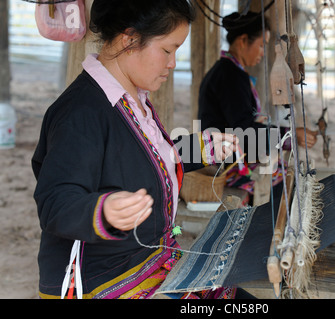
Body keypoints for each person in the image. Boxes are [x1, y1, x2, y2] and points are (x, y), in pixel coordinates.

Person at [32, 0, 240, 299]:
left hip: (147, 260)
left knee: (233, 296)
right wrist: (102, 212)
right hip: (103, 281)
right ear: (129, 41)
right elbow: (55, 202)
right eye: (167, 50)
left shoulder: (130, 98)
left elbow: (135, 157)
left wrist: (196, 150)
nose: (173, 63)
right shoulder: (80, 112)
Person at [198, 11, 317, 196]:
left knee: (287, 174)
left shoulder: (230, 72)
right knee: (285, 184)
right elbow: (244, 131)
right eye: (261, 45)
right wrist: (290, 136)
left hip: (231, 155)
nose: (263, 52)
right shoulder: (230, 76)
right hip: (225, 165)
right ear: (243, 40)